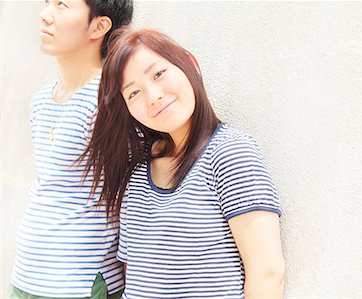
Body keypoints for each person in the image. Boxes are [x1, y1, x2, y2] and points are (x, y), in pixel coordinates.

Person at [83, 28, 285, 299]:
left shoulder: (230, 153)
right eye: (133, 93)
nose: (153, 96)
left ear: (190, 64)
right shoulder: (137, 179)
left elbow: (267, 274)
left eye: (158, 74)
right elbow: (134, 276)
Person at [9, 1, 133, 298]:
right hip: (26, 278)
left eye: (62, 5)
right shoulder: (41, 100)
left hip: (77, 284)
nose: (45, 14)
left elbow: (132, 196)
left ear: (99, 26)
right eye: (47, 3)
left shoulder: (112, 100)